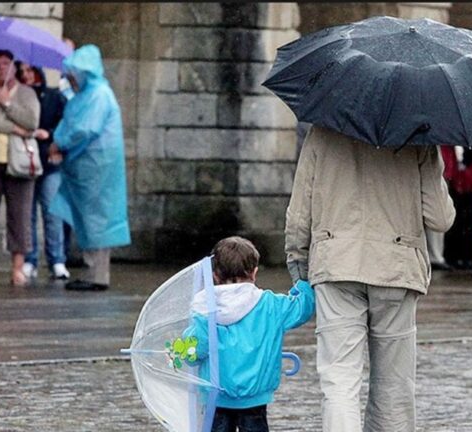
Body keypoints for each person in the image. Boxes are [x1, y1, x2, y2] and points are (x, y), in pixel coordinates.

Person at [285, 125, 455, 431]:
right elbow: (440, 218)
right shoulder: (419, 135)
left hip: (336, 263)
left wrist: (298, 261)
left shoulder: (323, 131)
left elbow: (300, 209)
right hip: (396, 266)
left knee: (338, 380)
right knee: (393, 388)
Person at [182, 236, 315, 432]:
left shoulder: (205, 309)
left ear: (215, 276)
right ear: (254, 273)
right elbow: (303, 308)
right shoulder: (271, 305)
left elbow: (193, 353)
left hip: (216, 397)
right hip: (255, 398)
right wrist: (302, 283)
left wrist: (184, 344)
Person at [48, 44, 131, 291]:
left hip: (97, 168)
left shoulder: (98, 94)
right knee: (88, 220)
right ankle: (92, 272)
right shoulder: (88, 93)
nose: (70, 78)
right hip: (87, 167)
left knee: (97, 221)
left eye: (74, 72)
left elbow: (85, 128)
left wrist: (59, 142)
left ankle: (97, 275)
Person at [0, 49, 43, 286]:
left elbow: (32, 122)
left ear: (14, 67)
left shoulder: (27, 93)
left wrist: (8, 104)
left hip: (20, 162)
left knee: (20, 215)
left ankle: (18, 268)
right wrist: (12, 127)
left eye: (6, 64)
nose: (2, 68)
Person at [15, 61, 70, 281]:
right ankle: (30, 259)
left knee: (52, 212)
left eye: (29, 71)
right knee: (27, 215)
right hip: (26, 160)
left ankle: (57, 259)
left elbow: (66, 123)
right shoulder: (18, 97)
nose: (26, 76)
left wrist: (50, 134)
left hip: (48, 160)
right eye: (22, 72)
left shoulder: (54, 96)